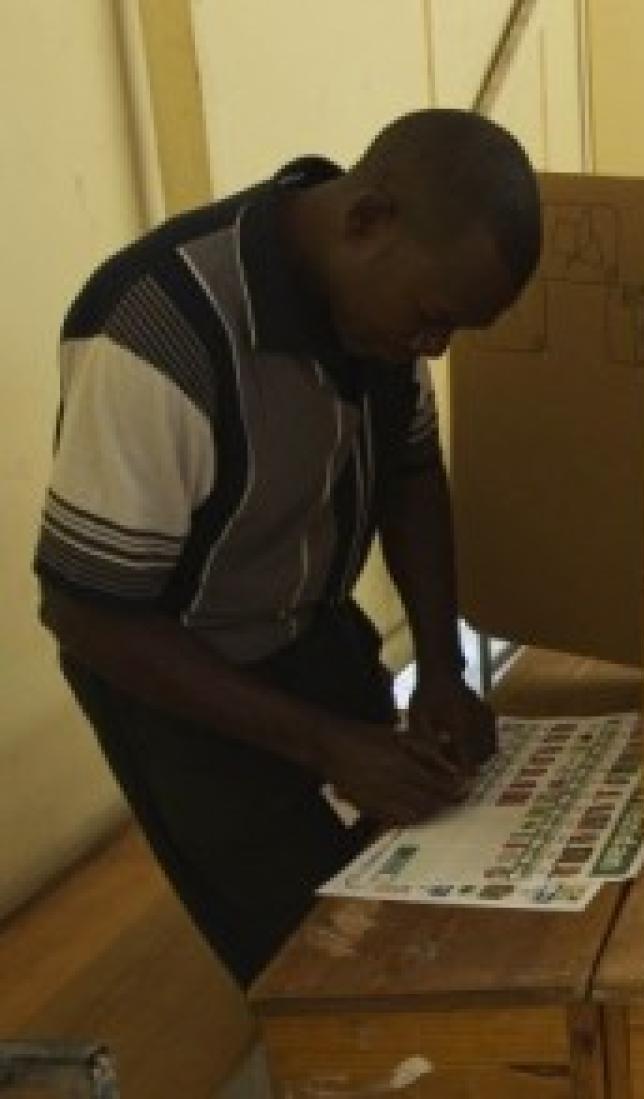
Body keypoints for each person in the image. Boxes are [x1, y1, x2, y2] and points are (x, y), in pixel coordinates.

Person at [33, 109, 543, 987]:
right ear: (367, 220)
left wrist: (442, 667)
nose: (432, 348)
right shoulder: (156, 332)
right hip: (175, 676)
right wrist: (330, 746)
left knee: (421, 851)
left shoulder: (379, 307)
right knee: (310, 962)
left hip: (303, 621)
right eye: (432, 320)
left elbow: (412, 474)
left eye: (454, 331)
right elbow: (85, 612)